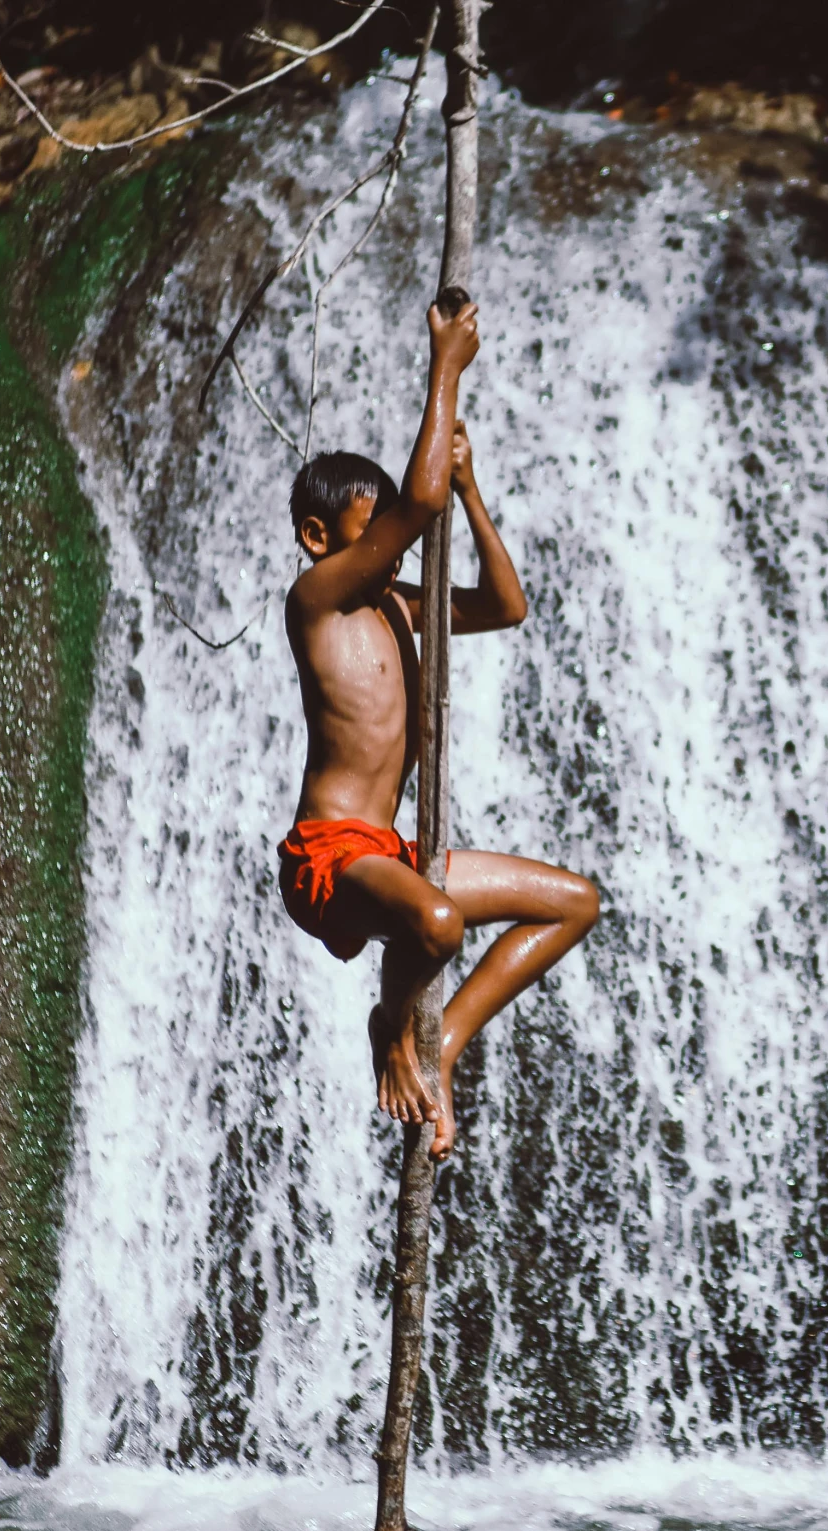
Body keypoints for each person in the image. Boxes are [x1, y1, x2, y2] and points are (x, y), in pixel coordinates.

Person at [276, 292, 598, 1159]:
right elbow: (415, 511)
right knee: (442, 925)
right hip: (332, 860)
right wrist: (446, 366)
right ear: (318, 536)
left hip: (393, 859)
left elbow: (505, 604)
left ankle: (441, 1041)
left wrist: (470, 488)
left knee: (574, 904)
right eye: (367, 526)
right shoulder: (319, 601)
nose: (391, 540)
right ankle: (391, 1023)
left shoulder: (401, 608)